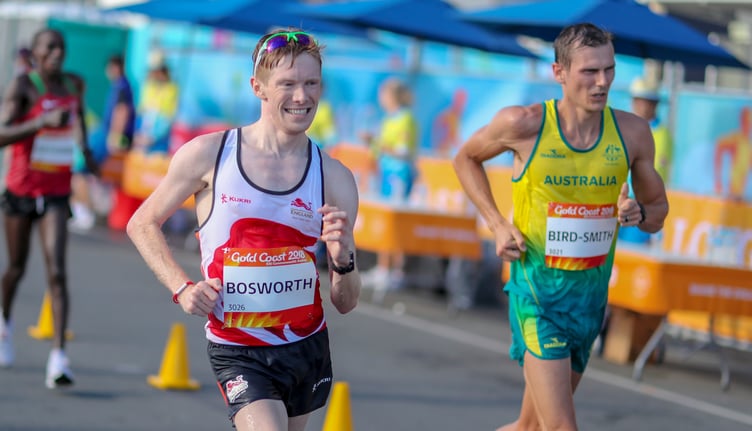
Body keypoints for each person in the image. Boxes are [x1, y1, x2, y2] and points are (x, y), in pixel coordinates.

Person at [126, 28, 361, 431]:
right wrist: (182, 288)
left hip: (306, 345)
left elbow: (346, 301)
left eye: (311, 84)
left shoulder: (335, 177)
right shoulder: (211, 154)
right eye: (287, 84)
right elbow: (142, 222)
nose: (302, 97)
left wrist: (343, 262)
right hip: (238, 348)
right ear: (259, 88)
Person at [452, 23, 669, 431]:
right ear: (560, 73)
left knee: (529, 427)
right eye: (589, 71)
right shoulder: (525, 124)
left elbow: (657, 212)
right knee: (560, 427)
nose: (602, 81)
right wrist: (498, 224)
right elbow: (465, 158)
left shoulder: (633, 134)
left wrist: (637, 211)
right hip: (536, 296)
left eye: (609, 69)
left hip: (588, 303)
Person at [0, 28, 98, 388]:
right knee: (15, 267)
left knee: (56, 271)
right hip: (21, 191)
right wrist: (40, 122)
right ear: (36, 54)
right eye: (49, 48)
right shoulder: (23, 88)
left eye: (61, 48)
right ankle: (4, 323)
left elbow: (80, 120)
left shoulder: (73, 86)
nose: (57, 53)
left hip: (57, 193)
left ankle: (59, 358)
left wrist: (87, 153)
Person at [359, 77, 418, 294]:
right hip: (386, 172)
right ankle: (385, 268)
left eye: (384, 94)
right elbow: (380, 149)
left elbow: (403, 152)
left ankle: (394, 271)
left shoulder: (405, 119)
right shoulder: (388, 119)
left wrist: (377, 143)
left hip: (399, 174)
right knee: (386, 220)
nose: (381, 99)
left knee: (396, 220)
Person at [69, 54, 135, 231]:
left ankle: (85, 212)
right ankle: (89, 209)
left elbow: (122, 111)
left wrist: (114, 136)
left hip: (107, 138)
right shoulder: (120, 86)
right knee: (91, 174)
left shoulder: (122, 86)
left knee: (80, 171)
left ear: (114, 67)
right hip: (103, 135)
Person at [132, 53, 179, 154]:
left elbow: (168, 118)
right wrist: (137, 134)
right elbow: (141, 111)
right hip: (142, 139)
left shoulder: (171, 89)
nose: (151, 74)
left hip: (158, 142)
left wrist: (153, 137)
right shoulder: (148, 86)